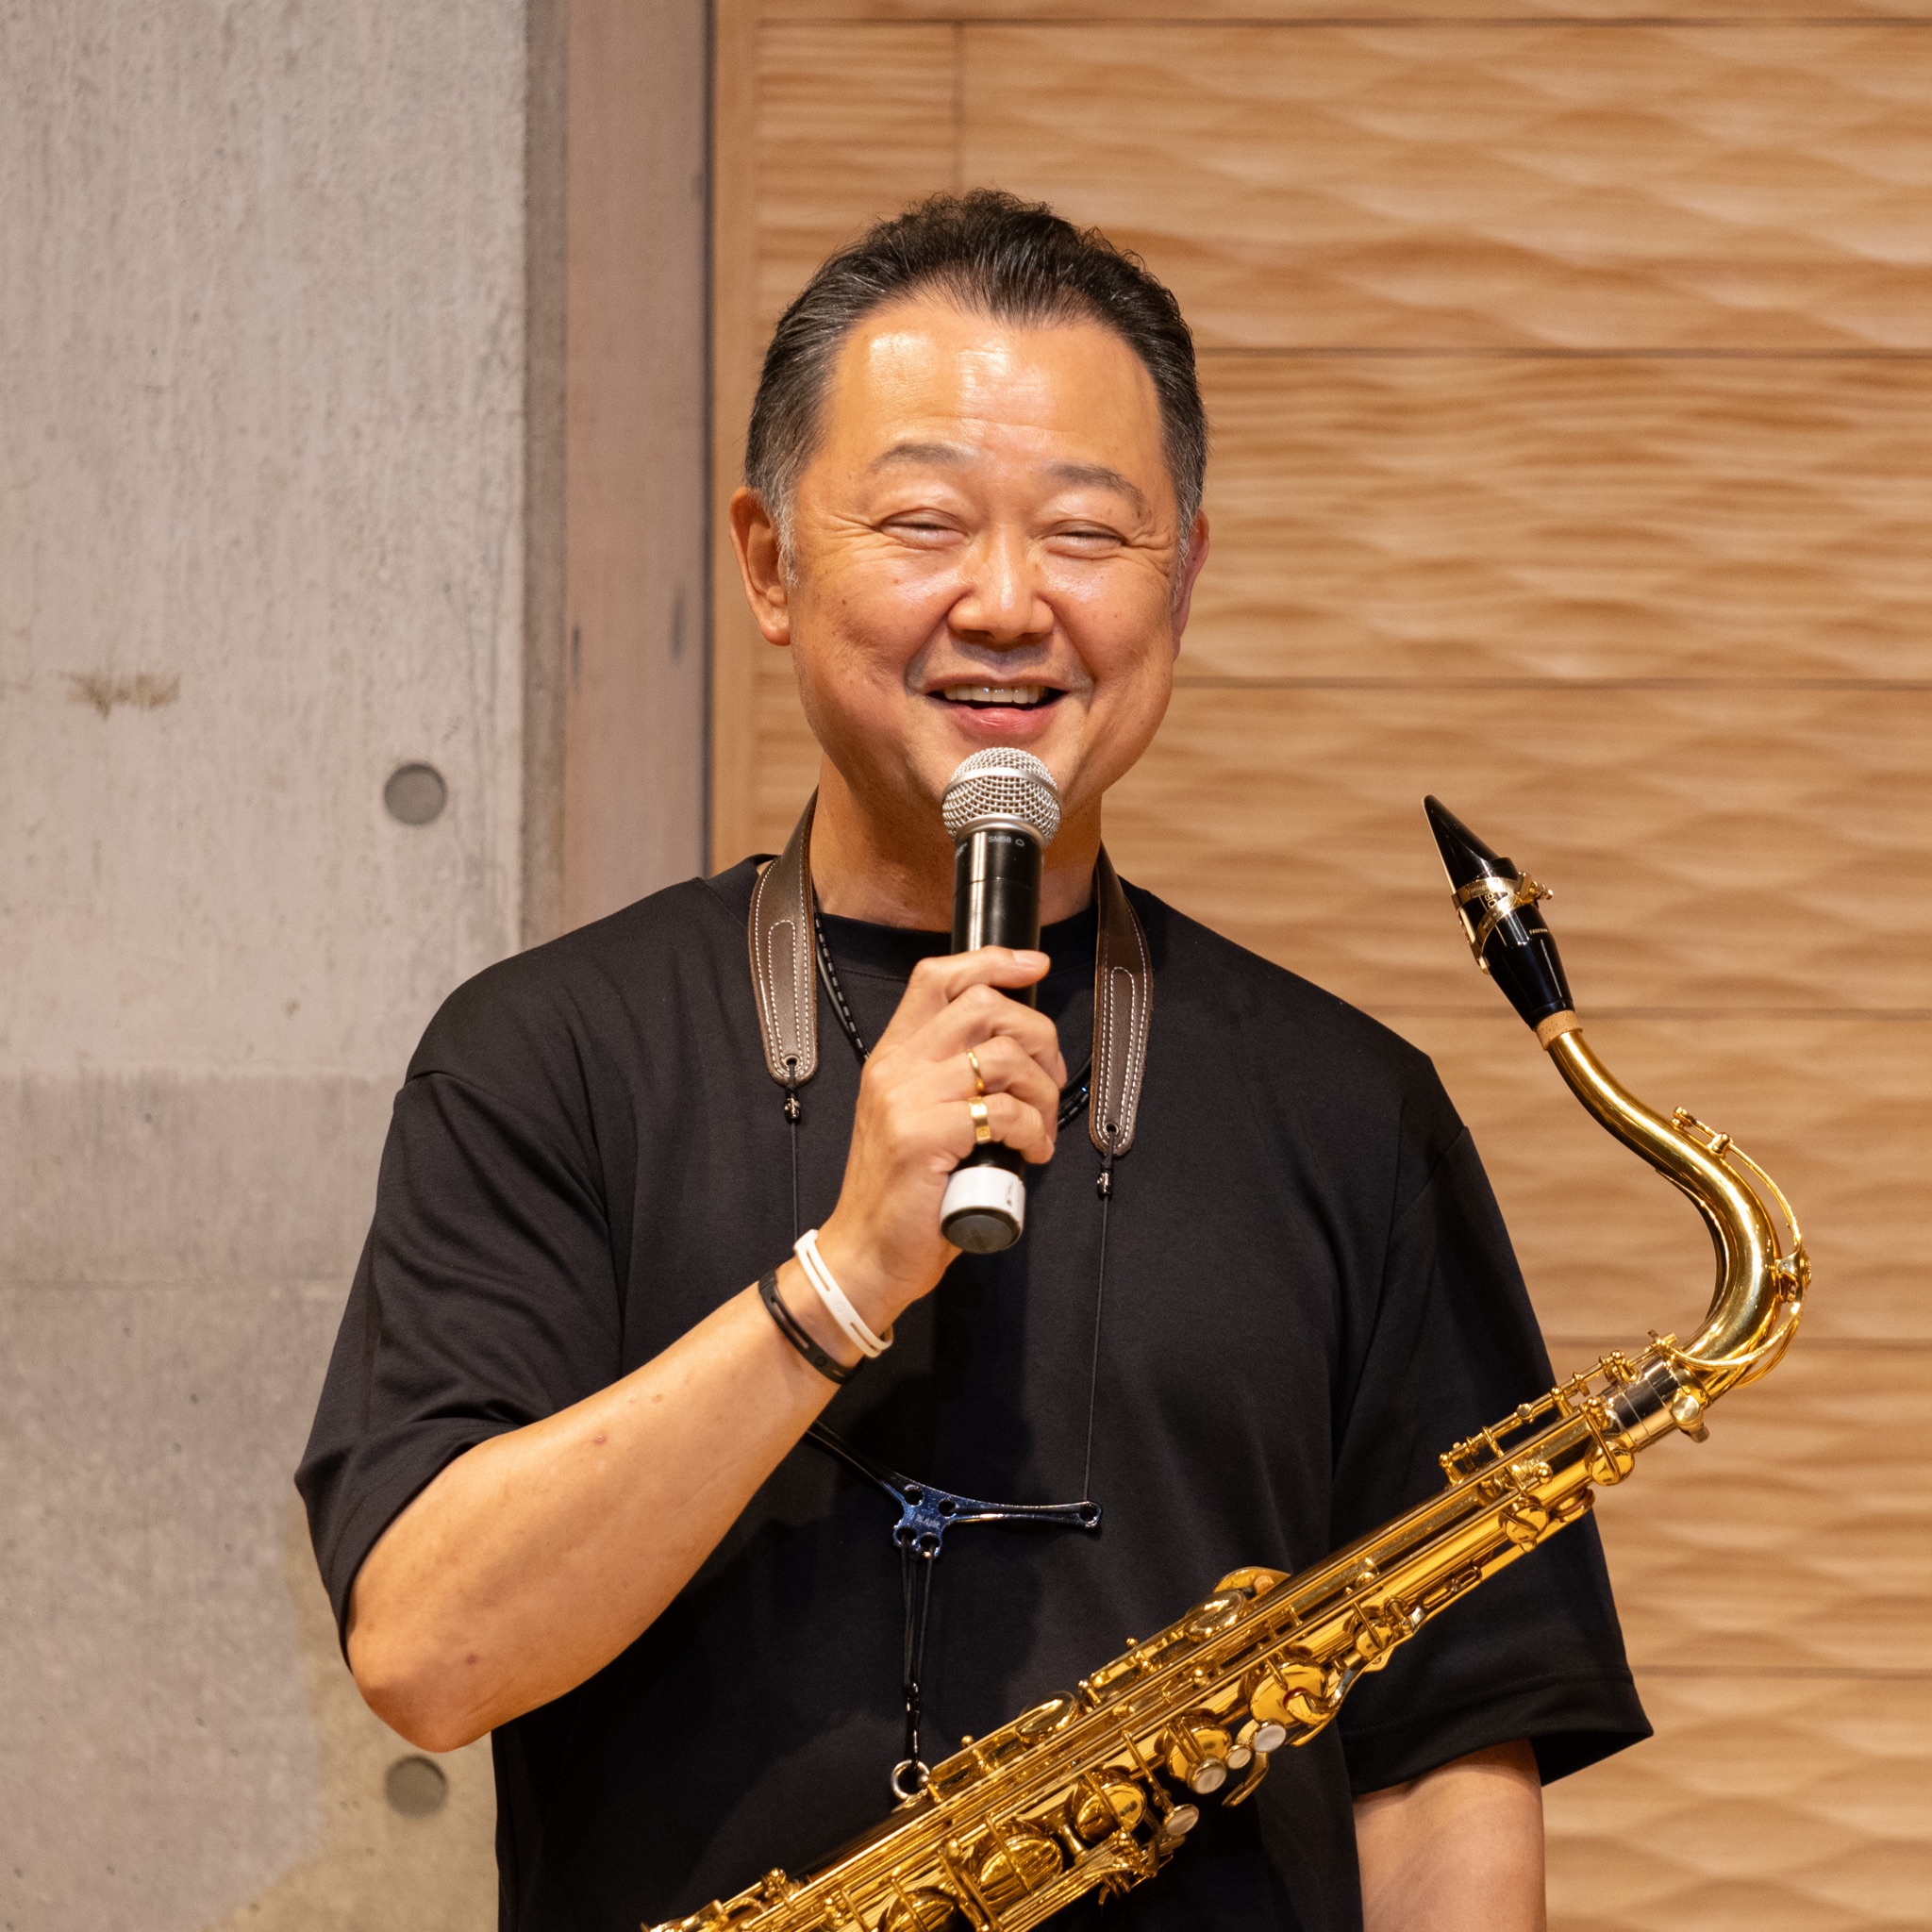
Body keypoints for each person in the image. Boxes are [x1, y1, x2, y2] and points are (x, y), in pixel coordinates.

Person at [297, 191, 1647, 1932]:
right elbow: (427, 1651)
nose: (1008, 604)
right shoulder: (547, 1056)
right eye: (924, 522)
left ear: (1185, 577)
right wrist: (842, 1279)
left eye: (1084, 533)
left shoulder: (1352, 1115)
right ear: (769, 564)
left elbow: (1449, 1752)